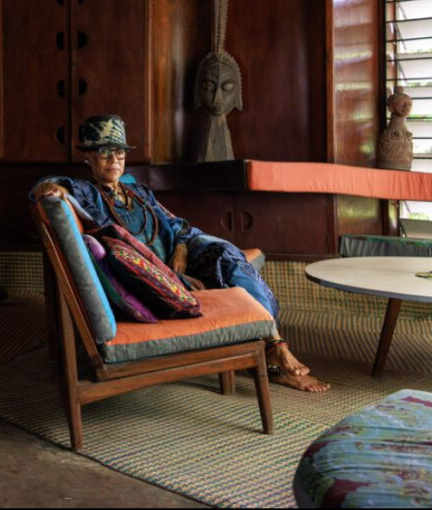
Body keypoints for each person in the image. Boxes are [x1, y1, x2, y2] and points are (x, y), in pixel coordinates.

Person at [32, 113, 329, 392]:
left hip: (179, 253)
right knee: (228, 271)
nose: (113, 159)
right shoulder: (89, 192)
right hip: (159, 276)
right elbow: (44, 187)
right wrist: (52, 186)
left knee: (228, 257)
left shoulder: (138, 191)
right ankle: (277, 353)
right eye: (104, 152)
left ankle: (272, 347)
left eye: (119, 152)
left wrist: (183, 249)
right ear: (89, 157)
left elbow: (176, 224)